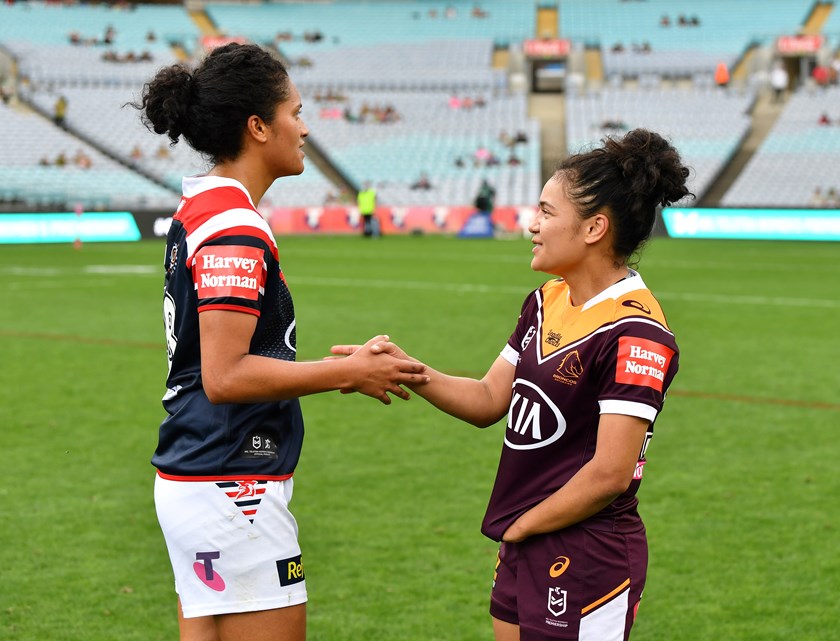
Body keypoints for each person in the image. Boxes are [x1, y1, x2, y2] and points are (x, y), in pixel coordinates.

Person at [333, 128, 687, 641]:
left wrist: (523, 525)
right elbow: (487, 399)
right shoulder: (545, 299)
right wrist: (408, 369)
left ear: (594, 228)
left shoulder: (637, 332)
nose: (531, 225)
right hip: (525, 541)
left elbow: (610, 473)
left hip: (587, 553)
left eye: (546, 212)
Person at [131, 43, 427, 641]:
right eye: (295, 111)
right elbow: (226, 375)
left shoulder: (206, 206)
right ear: (258, 126)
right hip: (231, 481)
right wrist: (348, 372)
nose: (305, 125)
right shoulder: (233, 225)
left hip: (202, 475)